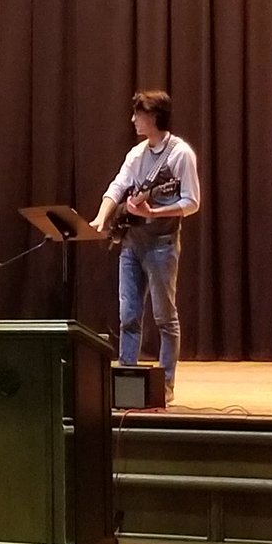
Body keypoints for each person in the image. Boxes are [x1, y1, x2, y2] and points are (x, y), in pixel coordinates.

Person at [89, 90, 200, 404]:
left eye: (138, 114)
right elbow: (118, 185)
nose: (133, 119)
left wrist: (156, 212)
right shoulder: (137, 154)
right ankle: (126, 378)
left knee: (165, 317)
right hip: (132, 243)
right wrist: (101, 218)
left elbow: (191, 202)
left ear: (153, 116)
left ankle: (165, 384)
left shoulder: (181, 154)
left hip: (162, 245)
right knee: (128, 315)